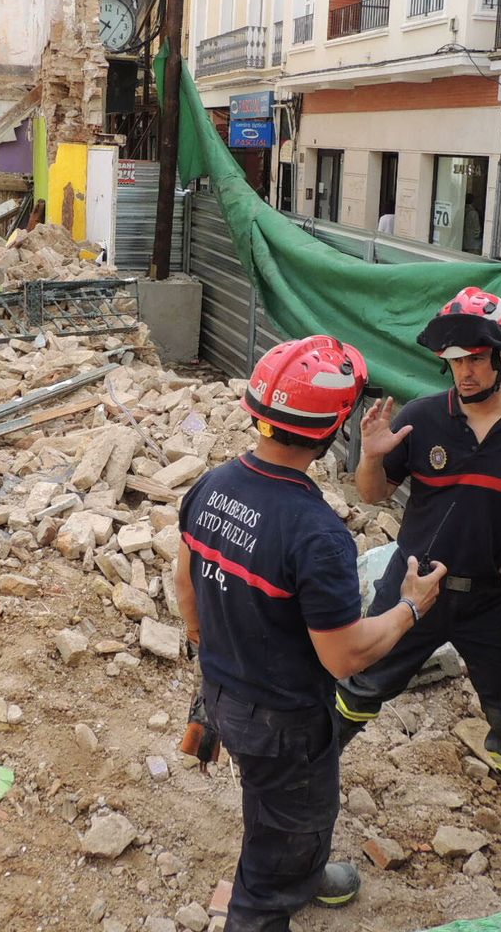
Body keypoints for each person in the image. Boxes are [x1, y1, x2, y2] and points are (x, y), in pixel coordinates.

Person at [174, 335, 447, 932]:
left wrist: (214, 656)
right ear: (335, 426)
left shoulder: (213, 484)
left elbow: (186, 585)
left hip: (224, 693)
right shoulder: (315, 531)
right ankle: (274, 889)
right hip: (284, 720)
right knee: (278, 849)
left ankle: (302, 863)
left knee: (273, 800)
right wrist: (410, 607)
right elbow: (345, 655)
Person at [338, 288, 501, 909]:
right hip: (413, 588)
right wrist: (372, 454)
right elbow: (369, 496)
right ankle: (306, 794)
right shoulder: (423, 417)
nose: (464, 370)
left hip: (495, 600)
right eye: (454, 359)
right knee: (357, 688)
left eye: (476, 358)